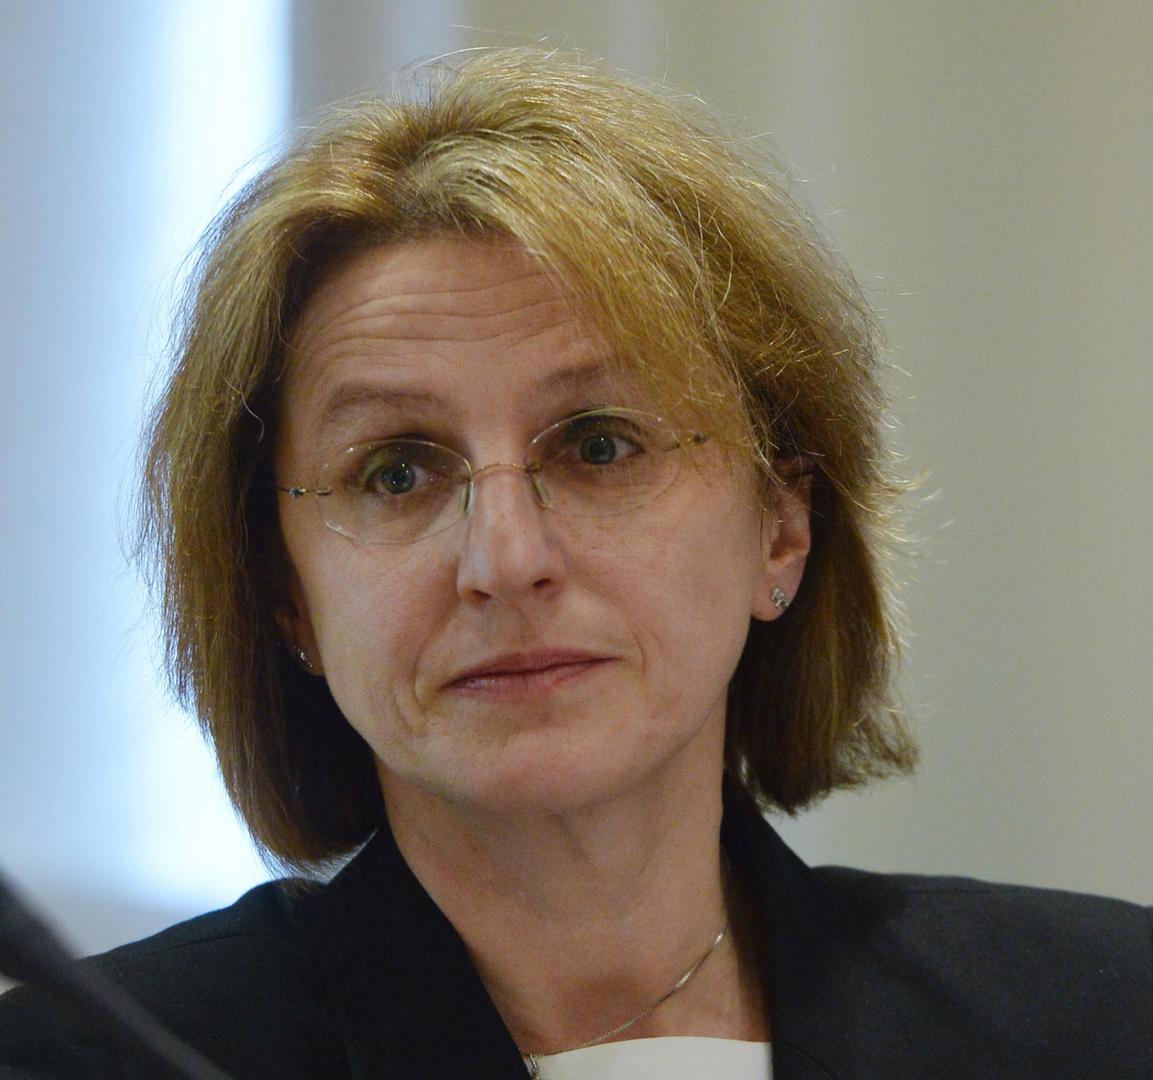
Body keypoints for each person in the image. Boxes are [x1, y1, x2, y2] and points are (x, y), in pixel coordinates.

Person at [0, 48, 1148, 1080]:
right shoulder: (97, 1060)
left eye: (600, 446)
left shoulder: (1099, 1019)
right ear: (287, 595)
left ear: (780, 528)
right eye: (396, 472)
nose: (505, 560)